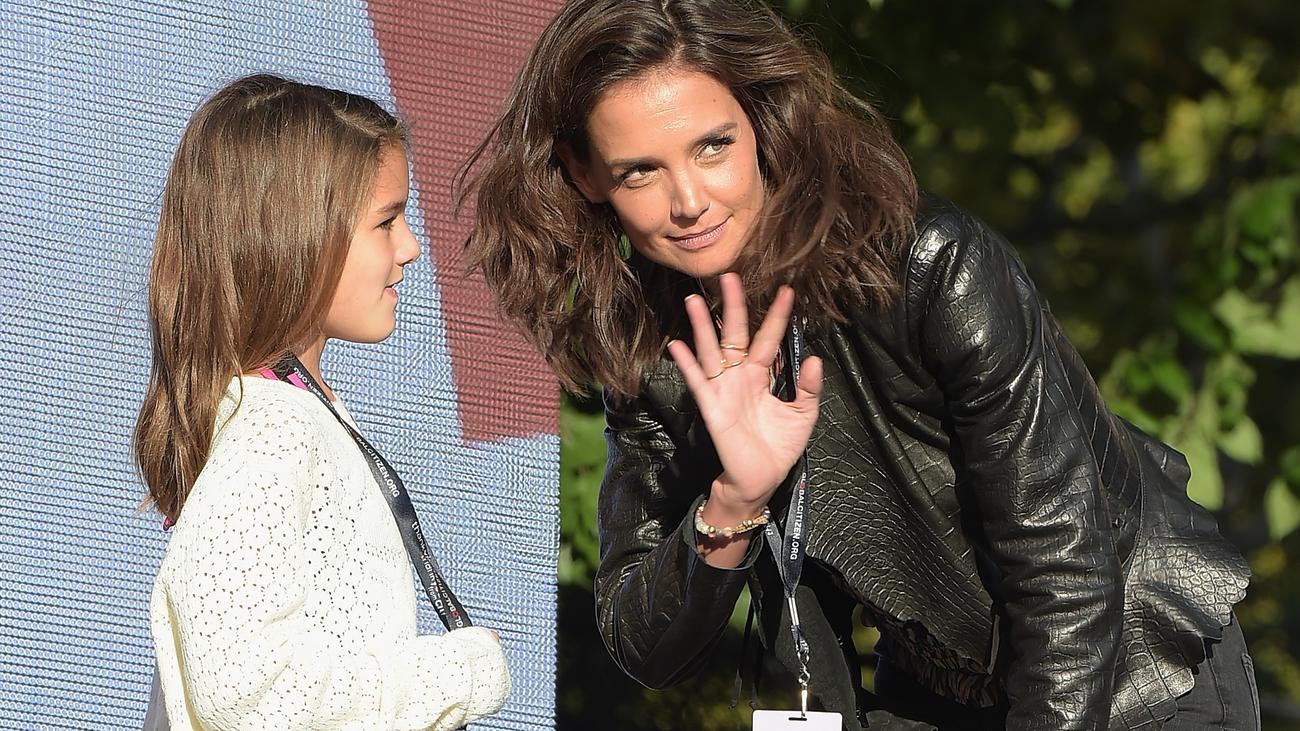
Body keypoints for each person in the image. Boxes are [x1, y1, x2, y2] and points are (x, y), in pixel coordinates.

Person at [464, 1, 1257, 729]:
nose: (689, 200)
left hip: (1127, 669)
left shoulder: (932, 265)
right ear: (583, 172)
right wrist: (735, 499)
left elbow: (1064, 570)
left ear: (761, 120)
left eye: (713, 146)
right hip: (935, 683)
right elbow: (648, 642)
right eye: (640, 170)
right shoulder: (650, 348)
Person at [137, 74, 510, 730]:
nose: (410, 247)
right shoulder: (272, 426)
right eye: (386, 221)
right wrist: (460, 672)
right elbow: (244, 690)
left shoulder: (288, 416)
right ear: (298, 238)